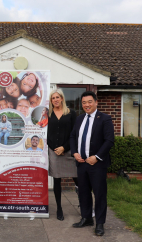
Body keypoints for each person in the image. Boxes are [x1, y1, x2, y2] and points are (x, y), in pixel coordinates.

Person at [70, 91, 114, 236]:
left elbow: (109, 141)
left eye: (89, 102)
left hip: (97, 164)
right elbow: (73, 136)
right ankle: (86, 218)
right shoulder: (80, 118)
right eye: (84, 103)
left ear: (96, 102)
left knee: (99, 194)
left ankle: (100, 224)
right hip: (81, 163)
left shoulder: (105, 118)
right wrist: (75, 152)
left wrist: (97, 157)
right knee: (83, 193)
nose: (86, 105)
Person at [46, 89, 78, 221]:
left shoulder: (71, 114)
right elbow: (46, 134)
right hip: (53, 151)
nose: (55, 100)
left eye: (57, 97)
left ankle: (85, 205)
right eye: (53, 98)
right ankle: (59, 208)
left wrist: (64, 147)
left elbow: (75, 133)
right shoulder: (47, 115)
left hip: (69, 150)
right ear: (51, 100)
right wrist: (55, 148)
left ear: (62, 98)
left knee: (78, 179)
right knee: (57, 181)